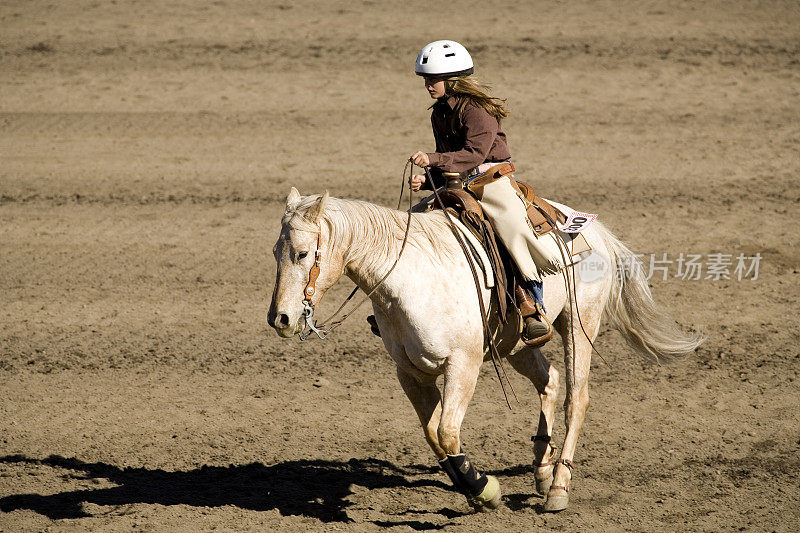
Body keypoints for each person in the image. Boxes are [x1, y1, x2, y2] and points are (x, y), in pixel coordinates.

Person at [408, 39, 553, 347]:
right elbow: (448, 155)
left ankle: (533, 308)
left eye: (432, 79)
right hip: (457, 182)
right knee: (409, 223)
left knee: (511, 231)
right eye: (426, 79)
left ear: (452, 80)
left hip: (491, 180)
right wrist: (429, 177)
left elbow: (474, 154)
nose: (428, 85)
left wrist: (433, 161)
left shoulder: (477, 110)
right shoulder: (438, 113)